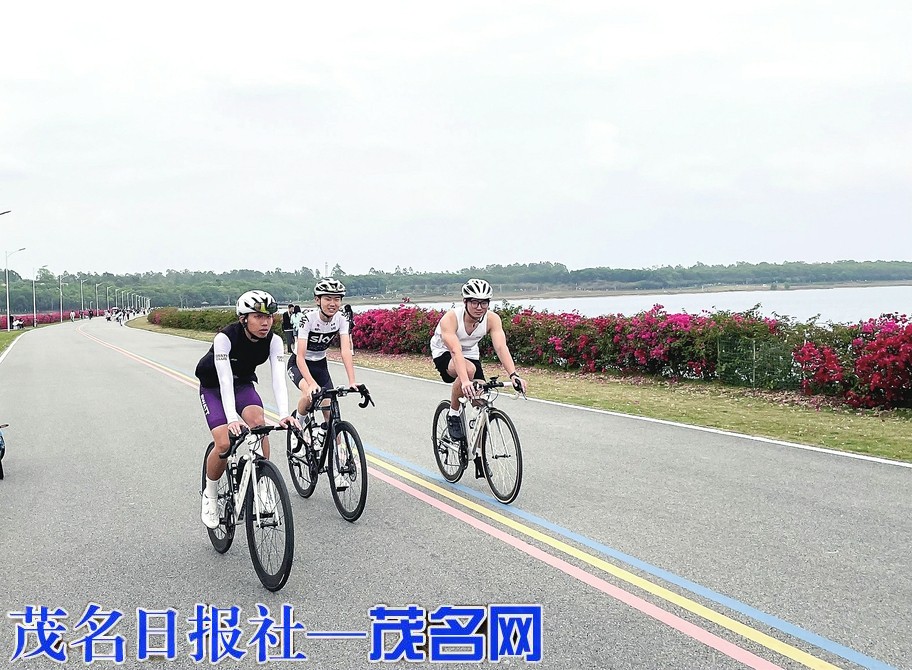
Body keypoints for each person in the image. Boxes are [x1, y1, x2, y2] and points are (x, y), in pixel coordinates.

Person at [195, 289, 299, 529]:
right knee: (223, 444)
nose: (265, 323)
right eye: (258, 317)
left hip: (242, 384)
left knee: (259, 424)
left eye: (269, 317)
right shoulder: (225, 338)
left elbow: (278, 379)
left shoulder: (274, 341)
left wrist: (284, 414)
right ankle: (210, 495)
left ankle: (262, 484)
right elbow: (224, 380)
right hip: (213, 387)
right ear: (243, 319)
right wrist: (232, 418)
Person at [429, 278, 528, 478]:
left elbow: (501, 347)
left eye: (484, 302)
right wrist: (465, 381)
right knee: (468, 372)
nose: (479, 307)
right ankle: (453, 414)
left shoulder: (492, 319)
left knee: (481, 400)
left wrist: (514, 374)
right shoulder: (451, 318)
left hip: (471, 355)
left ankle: (479, 456)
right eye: (474, 302)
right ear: (465, 302)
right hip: (445, 353)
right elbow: (456, 351)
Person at [286, 278, 361, 491]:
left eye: (337, 299)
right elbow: (300, 356)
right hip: (300, 364)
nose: (333, 303)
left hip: (320, 365)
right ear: (317, 300)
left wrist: (352, 381)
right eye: (328, 298)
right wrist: (310, 384)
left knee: (331, 415)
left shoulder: (341, 319)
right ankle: (298, 427)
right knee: (308, 395)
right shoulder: (307, 319)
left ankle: (337, 471)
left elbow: (345, 350)